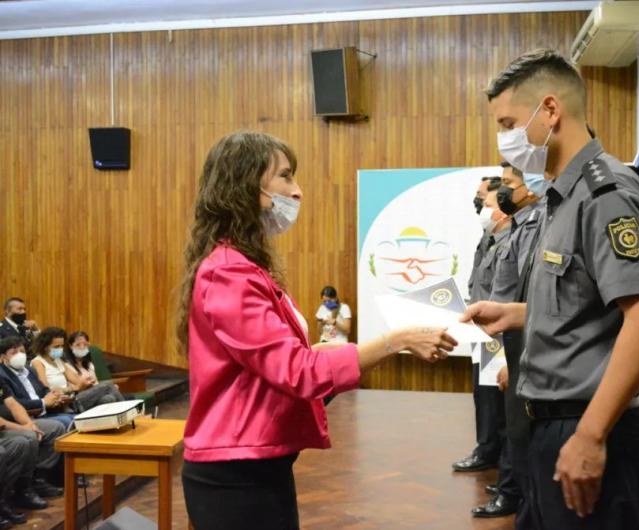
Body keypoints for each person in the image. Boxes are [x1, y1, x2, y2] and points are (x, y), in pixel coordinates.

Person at [177, 131, 457, 530]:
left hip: (257, 466)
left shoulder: (244, 265)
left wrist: (392, 341)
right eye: (286, 177)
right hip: (235, 475)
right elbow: (299, 371)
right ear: (245, 186)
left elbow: (296, 359)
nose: (298, 192)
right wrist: (397, 340)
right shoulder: (228, 272)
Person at [463, 49, 639, 529]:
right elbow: (584, 304)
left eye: (509, 122)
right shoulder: (562, 197)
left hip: (592, 428)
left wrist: (591, 436)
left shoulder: (606, 195)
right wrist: (518, 314)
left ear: (551, 110)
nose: (505, 138)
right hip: (548, 427)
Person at [488, 160, 547, 528]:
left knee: (532, 450)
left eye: (509, 182)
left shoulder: (545, 224)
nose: (503, 191)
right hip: (519, 347)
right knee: (520, 442)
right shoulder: (517, 229)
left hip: (538, 352)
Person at [453, 178, 510, 471]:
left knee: (493, 396)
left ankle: (493, 453)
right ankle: (487, 449)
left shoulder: (508, 239)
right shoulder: (487, 238)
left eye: (484, 200)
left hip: (497, 331)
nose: (480, 205)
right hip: (480, 328)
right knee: (482, 392)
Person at [0, 379, 65, 513]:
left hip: (12, 423)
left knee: (54, 428)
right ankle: (11, 494)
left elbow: (13, 404)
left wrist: (30, 424)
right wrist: (23, 428)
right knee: (27, 438)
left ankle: (36, 482)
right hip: (5, 427)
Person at [30, 328, 122, 412]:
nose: (60, 349)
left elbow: (78, 383)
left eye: (62, 346)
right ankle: (132, 416)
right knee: (108, 385)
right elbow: (46, 391)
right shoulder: (38, 362)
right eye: (56, 347)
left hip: (73, 398)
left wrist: (85, 383)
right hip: (64, 403)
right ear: (45, 346)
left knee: (108, 398)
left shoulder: (58, 361)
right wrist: (71, 388)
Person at [0, 337, 74, 431]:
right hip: (27, 417)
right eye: (14, 353)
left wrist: (55, 396)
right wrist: (43, 402)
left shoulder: (30, 370)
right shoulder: (2, 375)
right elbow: (15, 403)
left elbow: (43, 389)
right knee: (66, 422)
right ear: (2, 357)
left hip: (45, 412)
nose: (20, 355)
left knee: (74, 418)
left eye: (22, 351)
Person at [63, 331, 126, 403]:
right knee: (108, 385)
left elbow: (96, 384)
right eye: (78, 345)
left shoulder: (89, 365)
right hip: (78, 397)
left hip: (94, 394)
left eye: (85, 344)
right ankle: (128, 409)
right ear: (71, 346)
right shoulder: (67, 366)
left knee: (108, 398)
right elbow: (76, 387)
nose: (82, 347)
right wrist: (87, 383)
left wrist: (109, 388)